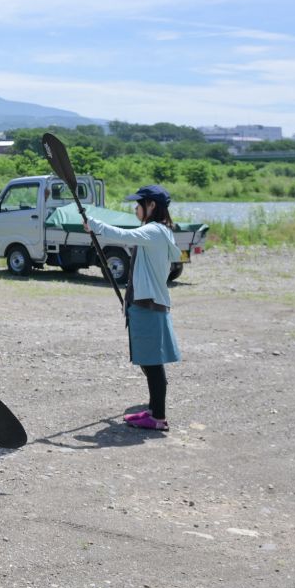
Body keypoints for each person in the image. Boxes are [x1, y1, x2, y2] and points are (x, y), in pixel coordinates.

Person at [84, 184, 182, 431]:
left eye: (139, 204)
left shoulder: (154, 231)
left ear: (151, 206)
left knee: (152, 362)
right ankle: (152, 410)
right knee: (148, 360)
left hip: (148, 304)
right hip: (145, 303)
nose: (135, 208)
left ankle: (158, 417)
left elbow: (122, 236)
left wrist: (94, 224)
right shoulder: (159, 231)